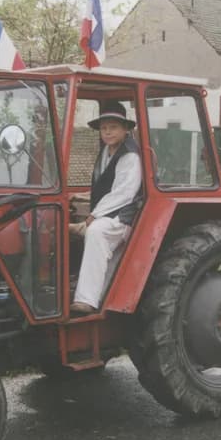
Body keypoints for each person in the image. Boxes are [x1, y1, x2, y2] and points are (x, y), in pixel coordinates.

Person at [70, 101, 142, 315]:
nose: (108, 132)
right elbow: (108, 184)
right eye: (104, 128)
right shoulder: (108, 150)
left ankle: (87, 300)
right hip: (111, 211)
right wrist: (82, 196)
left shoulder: (130, 154)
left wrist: (93, 215)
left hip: (127, 215)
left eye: (113, 127)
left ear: (125, 129)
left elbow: (125, 192)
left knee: (96, 231)